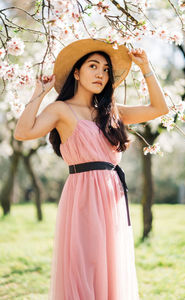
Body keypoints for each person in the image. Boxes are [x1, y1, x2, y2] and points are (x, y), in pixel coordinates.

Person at [14, 38, 169, 300]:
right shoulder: (61, 109)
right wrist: (39, 93)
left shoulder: (110, 112)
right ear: (77, 72)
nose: (101, 74)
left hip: (112, 197)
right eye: (93, 66)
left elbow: (159, 108)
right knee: (85, 265)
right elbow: (22, 132)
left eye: (106, 70)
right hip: (83, 196)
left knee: (110, 266)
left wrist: (146, 68)